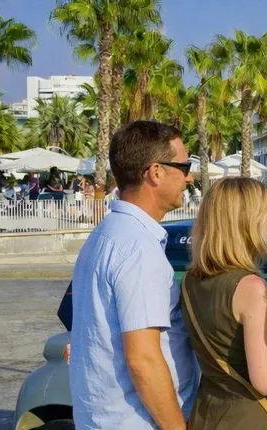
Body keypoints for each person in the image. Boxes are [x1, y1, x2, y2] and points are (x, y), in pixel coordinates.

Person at [69, 120, 198, 430]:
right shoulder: (138, 249)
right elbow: (143, 361)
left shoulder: (105, 234)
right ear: (155, 172)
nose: (190, 177)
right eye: (184, 166)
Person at [181, 177, 267, 429]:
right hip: (250, 417)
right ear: (247, 223)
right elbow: (264, 380)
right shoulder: (251, 287)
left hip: (208, 411)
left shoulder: (189, 281)